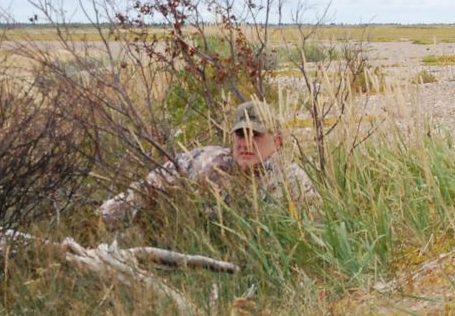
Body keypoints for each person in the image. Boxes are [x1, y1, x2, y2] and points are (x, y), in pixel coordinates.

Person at [99, 99, 316, 230]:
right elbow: (152, 183)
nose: (246, 144)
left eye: (255, 135)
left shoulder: (292, 180)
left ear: (276, 142)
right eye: (240, 135)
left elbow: (315, 228)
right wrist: (107, 215)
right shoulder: (206, 161)